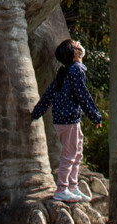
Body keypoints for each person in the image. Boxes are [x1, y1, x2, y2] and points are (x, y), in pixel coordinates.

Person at [31, 38, 102, 204]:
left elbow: (48, 94)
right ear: (75, 54)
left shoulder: (65, 72)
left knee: (77, 153)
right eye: (77, 45)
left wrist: (37, 112)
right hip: (68, 121)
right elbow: (82, 95)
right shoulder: (76, 70)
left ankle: (72, 186)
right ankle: (62, 189)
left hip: (66, 120)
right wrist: (94, 116)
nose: (80, 45)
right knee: (70, 155)